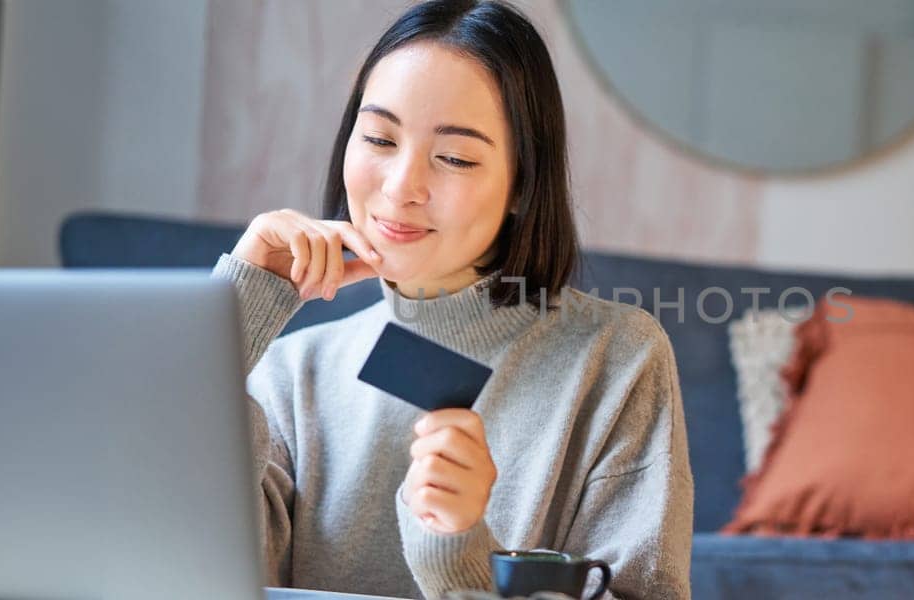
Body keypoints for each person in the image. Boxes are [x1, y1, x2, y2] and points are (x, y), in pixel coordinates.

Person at [208, 1, 692, 598]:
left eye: (455, 157)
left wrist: (458, 551)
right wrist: (232, 315)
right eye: (380, 138)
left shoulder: (617, 359)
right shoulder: (289, 372)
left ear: (523, 184)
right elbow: (167, 555)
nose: (401, 187)